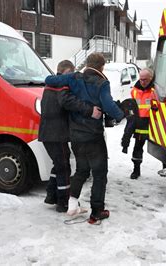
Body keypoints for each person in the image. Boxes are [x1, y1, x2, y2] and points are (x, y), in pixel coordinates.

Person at [45, 53, 124, 224]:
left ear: (88, 64)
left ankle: (72, 203)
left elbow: (49, 80)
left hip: (76, 136)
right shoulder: (103, 83)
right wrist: (121, 115)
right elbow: (108, 105)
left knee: (81, 170)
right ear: (102, 67)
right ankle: (97, 212)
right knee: (99, 173)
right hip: (93, 136)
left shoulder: (73, 77)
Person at [39, 60, 102, 213]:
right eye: (71, 74)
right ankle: (64, 203)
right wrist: (89, 110)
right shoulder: (62, 85)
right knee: (64, 168)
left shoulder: (50, 85)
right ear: (66, 72)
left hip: (48, 133)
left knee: (59, 163)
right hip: (57, 134)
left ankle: (51, 196)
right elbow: (68, 101)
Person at [126, 68, 156, 179]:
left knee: (163, 146)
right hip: (140, 123)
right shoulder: (134, 91)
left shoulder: (155, 90)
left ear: (151, 79)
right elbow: (131, 107)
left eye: (145, 80)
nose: (142, 82)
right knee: (138, 147)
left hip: (154, 123)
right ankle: (136, 170)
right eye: (141, 79)